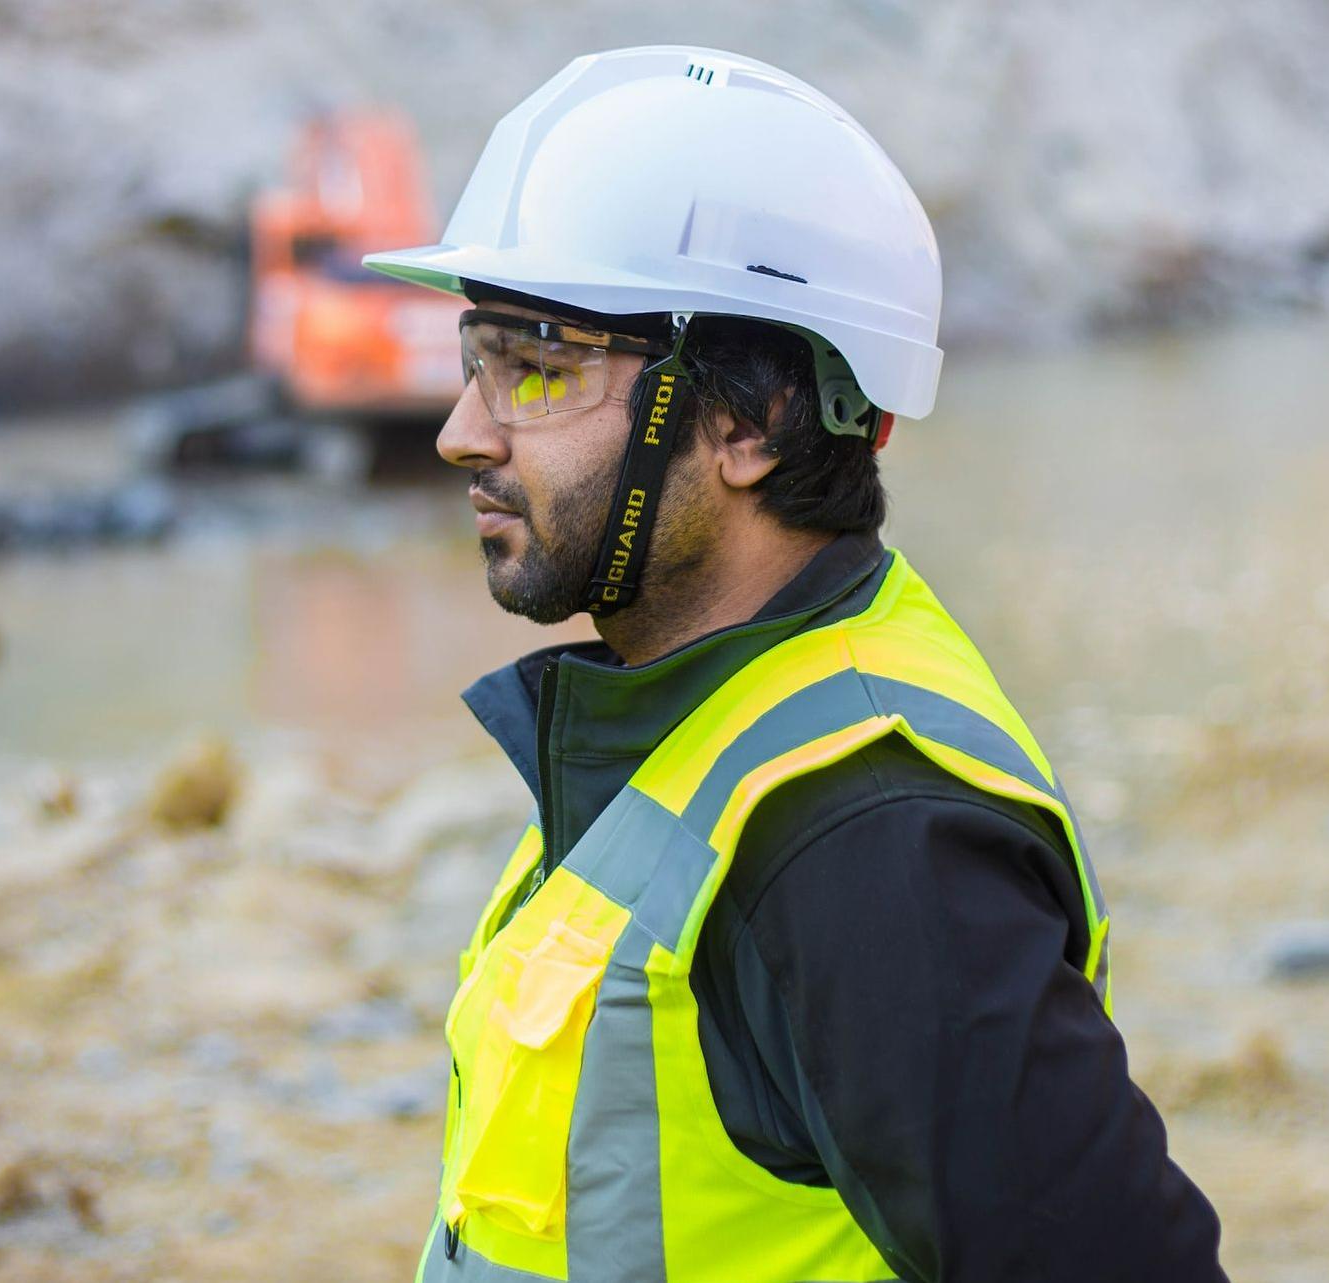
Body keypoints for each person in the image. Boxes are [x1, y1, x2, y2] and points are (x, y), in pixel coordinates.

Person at [364, 45, 1226, 1283]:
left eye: (537, 366)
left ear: (748, 422)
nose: (461, 432)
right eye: (474, 358)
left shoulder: (861, 833)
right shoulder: (685, 715)